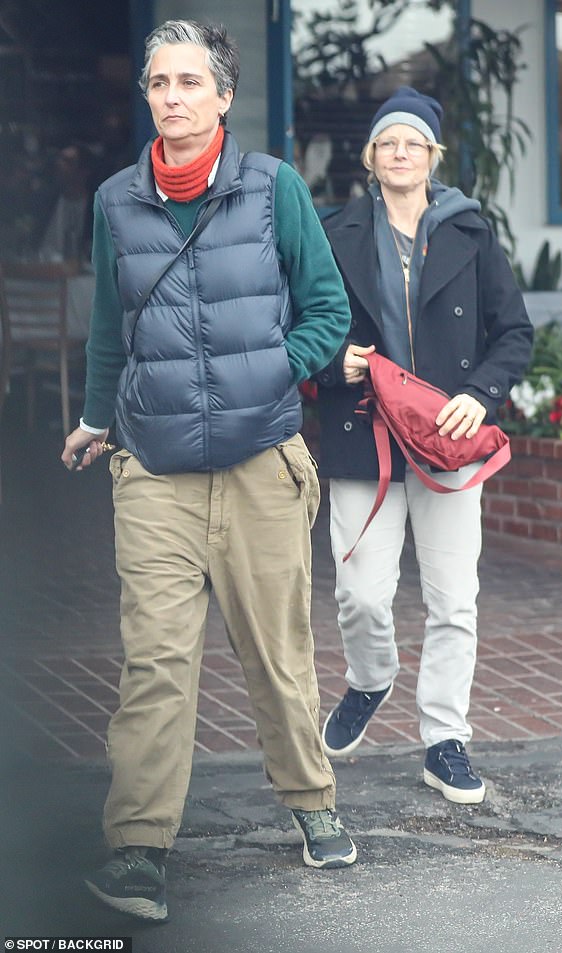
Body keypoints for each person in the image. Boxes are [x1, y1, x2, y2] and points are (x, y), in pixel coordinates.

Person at [61, 19, 357, 923]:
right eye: (160, 82)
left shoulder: (272, 188)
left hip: (261, 461)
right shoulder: (117, 200)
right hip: (152, 467)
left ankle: (312, 802)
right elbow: (112, 325)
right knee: (155, 660)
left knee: (276, 655)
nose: (174, 96)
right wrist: (93, 417)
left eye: (192, 81)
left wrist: (274, 368)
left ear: (224, 97)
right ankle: (140, 847)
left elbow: (327, 307)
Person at [316, 87, 533, 805]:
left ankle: (445, 738)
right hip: (363, 437)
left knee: (453, 599)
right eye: (387, 141)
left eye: (413, 141)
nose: (400, 151)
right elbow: (298, 325)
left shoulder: (471, 231)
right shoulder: (334, 231)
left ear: (433, 155)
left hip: (449, 441)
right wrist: (334, 359)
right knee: (360, 596)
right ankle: (371, 677)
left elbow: (514, 333)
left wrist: (481, 394)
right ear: (371, 158)